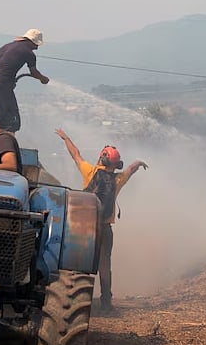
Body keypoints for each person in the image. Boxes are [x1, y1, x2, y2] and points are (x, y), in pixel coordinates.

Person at [54, 128, 147, 312]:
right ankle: (106, 301)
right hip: (105, 229)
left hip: (84, 227)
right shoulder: (117, 180)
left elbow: (76, 155)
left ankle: (74, 299)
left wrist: (66, 137)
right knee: (105, 264)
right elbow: (130, 169)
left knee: (76, 262)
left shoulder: (90, 172)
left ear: (102, 159)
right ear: (116, 163)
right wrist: (138, 163)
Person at [0, 29, 50, 133]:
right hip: (2, 89)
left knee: (2, 118)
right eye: (36, 45)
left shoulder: (5, 47)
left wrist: (4, 79)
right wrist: (43, 79)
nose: (37, 48)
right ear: (31, 41)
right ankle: (5, 146)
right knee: (12, 121)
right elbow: (34, 73)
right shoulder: (29, 53)